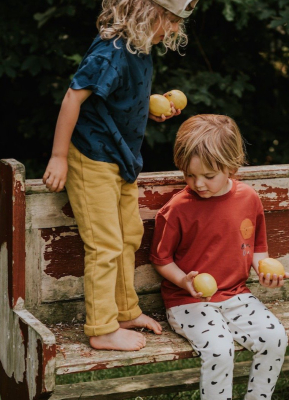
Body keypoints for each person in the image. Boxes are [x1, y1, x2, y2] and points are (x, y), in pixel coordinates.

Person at [42, 0, 199, 351]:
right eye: (170, 20)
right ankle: (100, 327)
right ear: (147, 11)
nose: (174, 29)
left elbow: (115, 98)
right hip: (93, 158)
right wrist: (58, 157)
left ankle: (125, 311)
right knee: (105, 244)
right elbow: (72, 97)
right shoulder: (111, 52)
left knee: (128, 236)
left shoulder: (139, 48)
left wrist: (149, 106)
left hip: (122, 160)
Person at [150, 114, 289, 399]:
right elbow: (161, 259)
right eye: (189, 175)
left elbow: (257, 249)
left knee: (276, 338)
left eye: (208, 176)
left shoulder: (248, 198)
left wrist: (266, 271)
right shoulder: (177, 208)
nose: (198, 183)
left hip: (236, 295)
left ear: (231, 166)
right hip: (188, 302)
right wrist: (183, 281)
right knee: (219, 349)